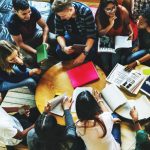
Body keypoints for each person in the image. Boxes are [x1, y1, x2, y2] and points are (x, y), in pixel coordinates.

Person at [52, 0, 97, 65]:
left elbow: (91, 36)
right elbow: (59, 34)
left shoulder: (86, 11)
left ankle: (87, 67)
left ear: (70, 10)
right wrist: (64, 48)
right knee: (59, 50)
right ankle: (70, 66)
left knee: (91, 51)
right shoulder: (59, 14)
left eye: (63, 16)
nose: (61, 18)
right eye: (60, 16)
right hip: (70, 34)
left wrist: (84, 54)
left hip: (86, 35)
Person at [7, 0, 51, 67]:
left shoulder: (33, 9)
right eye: (24, 14)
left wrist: (44, 42)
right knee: (29, 59)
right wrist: (36, 52)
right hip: (23, 42)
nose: (28, 16)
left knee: (53, 37)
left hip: (35, 34)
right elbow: (20, 43)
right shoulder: (11, 22)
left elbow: (45, 27)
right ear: (15, 12)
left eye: (29, 12)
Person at [95, 0, 133, 74]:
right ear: (103, 9)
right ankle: (106, 74)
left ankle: (114, 75)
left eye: (113, 7)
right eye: (108, 9)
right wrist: (110, 25)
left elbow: (127, 23)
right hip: (106, 38)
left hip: (118, 37)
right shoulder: (99, 14)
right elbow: (100, 33)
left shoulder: (123, 11)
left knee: (115, 59)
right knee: (104, 59)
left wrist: (131, 32)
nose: (112, 11)